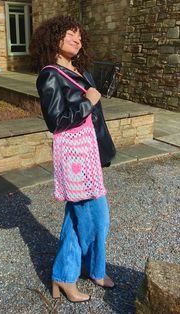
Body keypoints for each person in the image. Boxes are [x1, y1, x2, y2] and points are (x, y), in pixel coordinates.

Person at [29, 15, 115, 303]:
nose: (77, 40)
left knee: (76, 219)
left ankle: (65, 276)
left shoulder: (80, 70)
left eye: (79, 36)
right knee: (96, 219)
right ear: (55, 39)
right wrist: (88, 100)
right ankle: (87, 271)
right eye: (70, 35)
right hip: (77, 161)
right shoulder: (50, 75)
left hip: (90, 153)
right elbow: (56, 121)